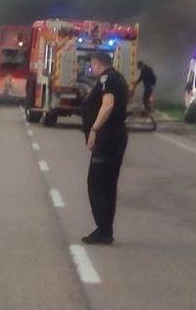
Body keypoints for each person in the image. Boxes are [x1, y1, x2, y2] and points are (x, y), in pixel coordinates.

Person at [81, 51, 129, 245]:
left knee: (97, 183)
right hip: (115, 136)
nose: (91, 68)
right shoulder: (118, 78)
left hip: (108, 136)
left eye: (92, 64)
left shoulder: (107, 78)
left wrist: (94, 129)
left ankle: (103, 229)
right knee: (107, 185)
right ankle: (105, 229)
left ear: (97, 63)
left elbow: (107, 105)